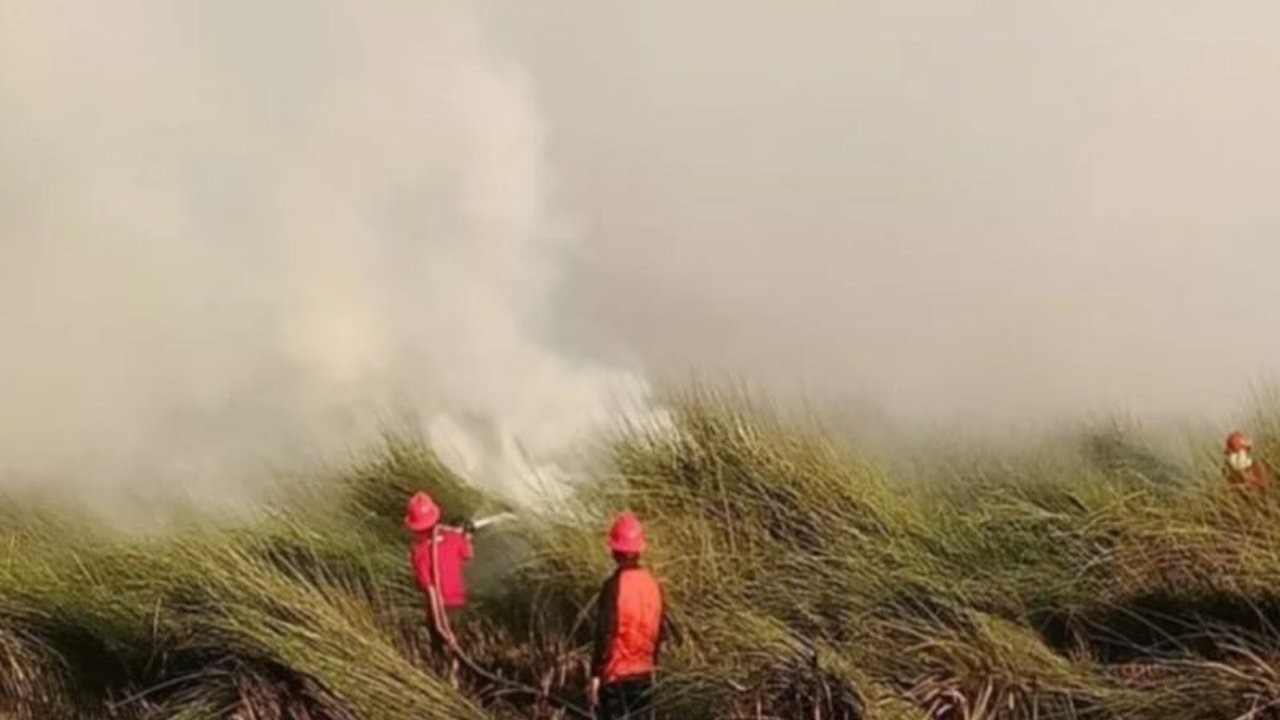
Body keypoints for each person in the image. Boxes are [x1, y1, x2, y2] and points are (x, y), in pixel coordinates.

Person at [589, 512, 668, 720]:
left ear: (615, 551)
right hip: (644, 674)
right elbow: (660, 630)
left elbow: (605, 632)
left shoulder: (613, 586)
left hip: (616, 676)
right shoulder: (653, 584)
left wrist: (596, 674)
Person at [405, 491, 474, 684]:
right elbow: (468, 555)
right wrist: (466, 537)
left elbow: (428, 588)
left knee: (440, 650)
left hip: (439, 607)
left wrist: (439, 626)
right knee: (456, 646)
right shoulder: (453, 539)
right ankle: (455, 679)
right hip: (457, 603)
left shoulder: (419, 553)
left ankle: (445, 684)